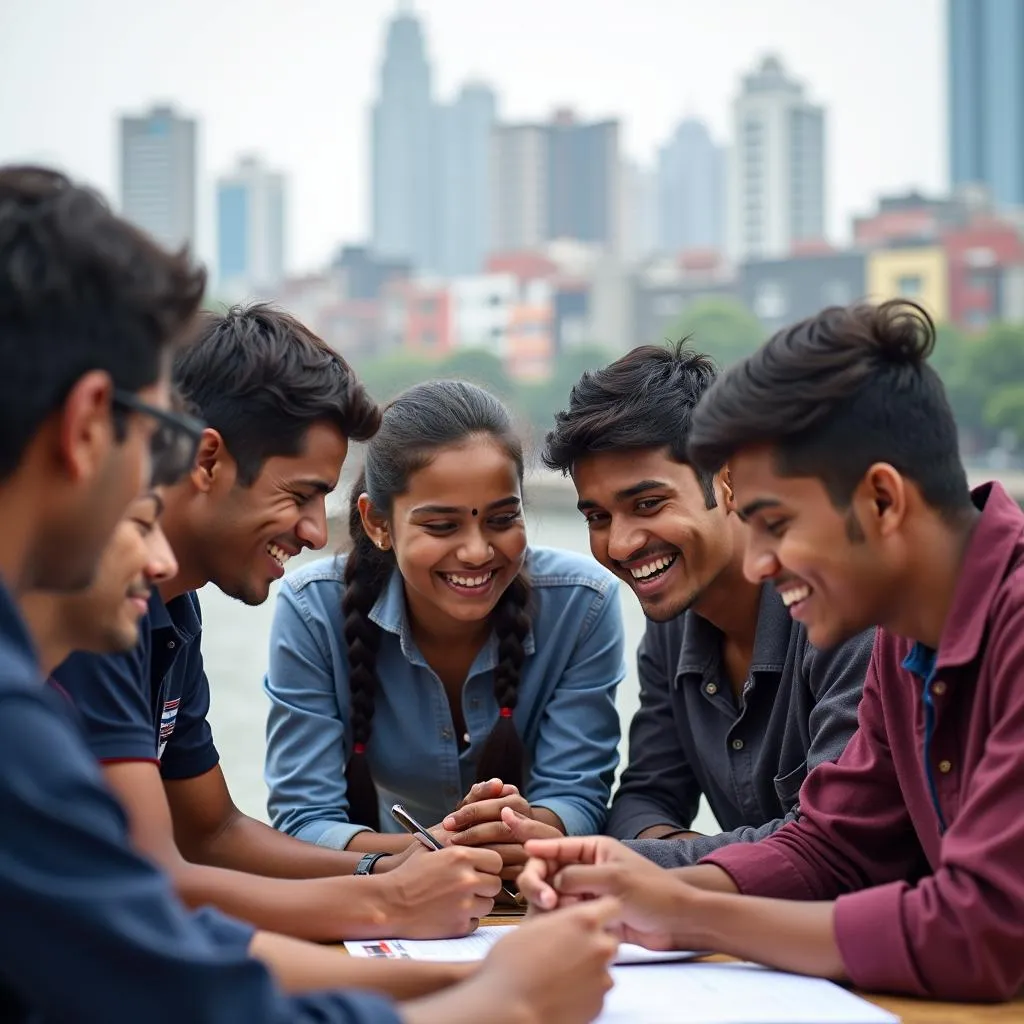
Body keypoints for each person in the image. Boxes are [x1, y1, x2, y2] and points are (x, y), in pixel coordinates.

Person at [0, 164, 626, 1024]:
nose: (308, 535)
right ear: (86, 427)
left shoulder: (161, 611)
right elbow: (157, 928)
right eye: (152, 444)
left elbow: (208, 843)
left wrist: (418, 895)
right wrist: (446, 955)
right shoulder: (69, 645)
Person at [517, 299, 1024, 1003]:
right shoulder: (905, 634)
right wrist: (633, 888)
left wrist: (687, 908)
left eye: (775, 525)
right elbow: (833, 848)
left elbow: (980, 928)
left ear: (881, 499)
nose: (756, 566)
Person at [53, 305, 506, 942]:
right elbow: (151, 880)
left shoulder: (175, 609)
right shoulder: (94, 608)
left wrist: (388, 866)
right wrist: (389, 904)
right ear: (207, 460)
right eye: (300, 495)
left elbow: (212, 834)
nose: (317, 531)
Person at [499, 342, 869, 868]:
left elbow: (832, 839)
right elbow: (644, 796)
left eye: (648, 504)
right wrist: (662, 856)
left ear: (730, 478)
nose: (621, 545)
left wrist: (637, 864)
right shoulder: (674, 631)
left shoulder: (845, 611)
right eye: (597, 517)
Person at [263, 379, 625, 881]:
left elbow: (579, 796)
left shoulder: (583, 604)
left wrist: (528, 829)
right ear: (377, 522)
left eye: (502, 518)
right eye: (441, 526)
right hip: (385, 896)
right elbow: (303, 817)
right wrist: (427, 853)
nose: (477, 552)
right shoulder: (312, 609)